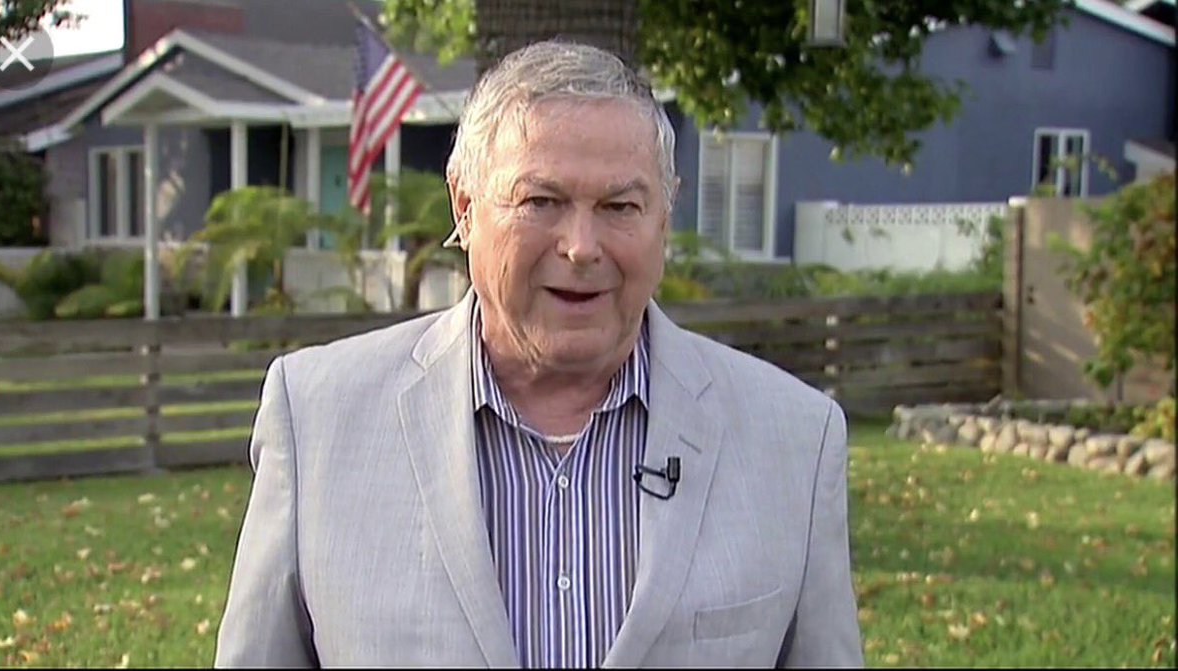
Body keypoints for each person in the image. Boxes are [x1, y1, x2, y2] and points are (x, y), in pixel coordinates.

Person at [214, 39, 863, 669]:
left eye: (620, 206)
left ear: (663, 219)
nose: (581, 246)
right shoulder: (317, 418)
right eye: (540, 201)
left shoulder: (796, 440)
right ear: (464, 208)